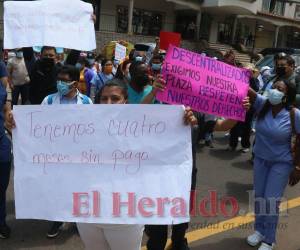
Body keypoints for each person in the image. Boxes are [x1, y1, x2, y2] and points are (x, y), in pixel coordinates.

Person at [78, 80, 198, 250]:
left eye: (115, 98)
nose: (108, 103)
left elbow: (163, 137)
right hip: (87, 212)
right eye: (104, 99)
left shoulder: (139, 127)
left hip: (124, 215)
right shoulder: (83, 126)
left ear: (125, 102)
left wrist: (183, 122)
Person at [141, 71, 250, 250]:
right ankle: (157, 243)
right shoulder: (156, 108)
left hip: (185, 176)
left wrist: (238, 111)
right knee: (157, 225)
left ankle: (178, 241)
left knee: (181, 216)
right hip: (156, 177)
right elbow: (135, 115)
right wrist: (153, 92)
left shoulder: (197, 113)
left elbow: (223, 126)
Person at [246, 79, 300, 250]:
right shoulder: (263, 105)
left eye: (279, 89)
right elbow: (246, 90)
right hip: (260, 160)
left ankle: (269, 239)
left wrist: (298, 167)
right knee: (259, 197)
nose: (274, 91)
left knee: (271, 200)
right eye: (274, 87)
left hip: (281, 163)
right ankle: (259, 231)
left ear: (286, 96)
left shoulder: (294, 114)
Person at [41, 65, 92, 238]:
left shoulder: (86, 102)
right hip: (55, 154)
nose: (60, 83)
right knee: (58, 189)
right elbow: (36, 125)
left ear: (75, 83)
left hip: (79, 155)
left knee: (78, 189)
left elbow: (93, 128)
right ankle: (57, 220)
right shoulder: (48, 100)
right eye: (59, 80)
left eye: (64, 80)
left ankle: (78, 222)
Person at [0, 60, 13, 239]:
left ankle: (1, 222)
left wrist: (9, 117)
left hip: (1, 142)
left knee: (1, 187)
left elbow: (5, 103)